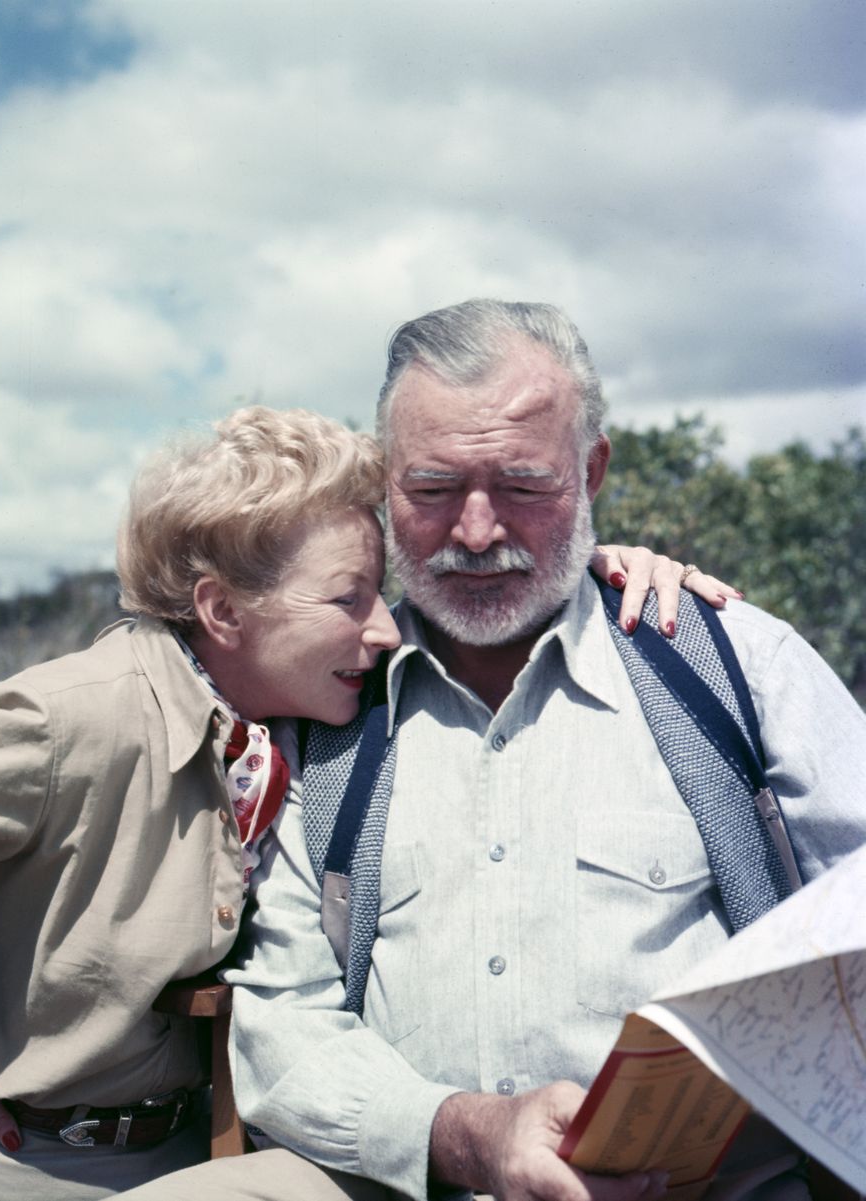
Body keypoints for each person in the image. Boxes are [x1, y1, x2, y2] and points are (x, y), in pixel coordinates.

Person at [0, 404, 717, 1200]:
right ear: (221, 610)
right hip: (29, 1162)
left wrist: (603, 572)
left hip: (206, 1158)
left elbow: (481, 609)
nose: (379, 629)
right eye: (346, 597)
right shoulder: (76, 717)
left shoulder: (286, 717)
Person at [119, 302, 866, 1201]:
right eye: (431, 490)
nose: (475, 532)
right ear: (384, 482)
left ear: (590, 472)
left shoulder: (730, 665)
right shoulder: (321, 705)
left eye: (521, 485)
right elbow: (284, 1022)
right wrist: (464, 1136)